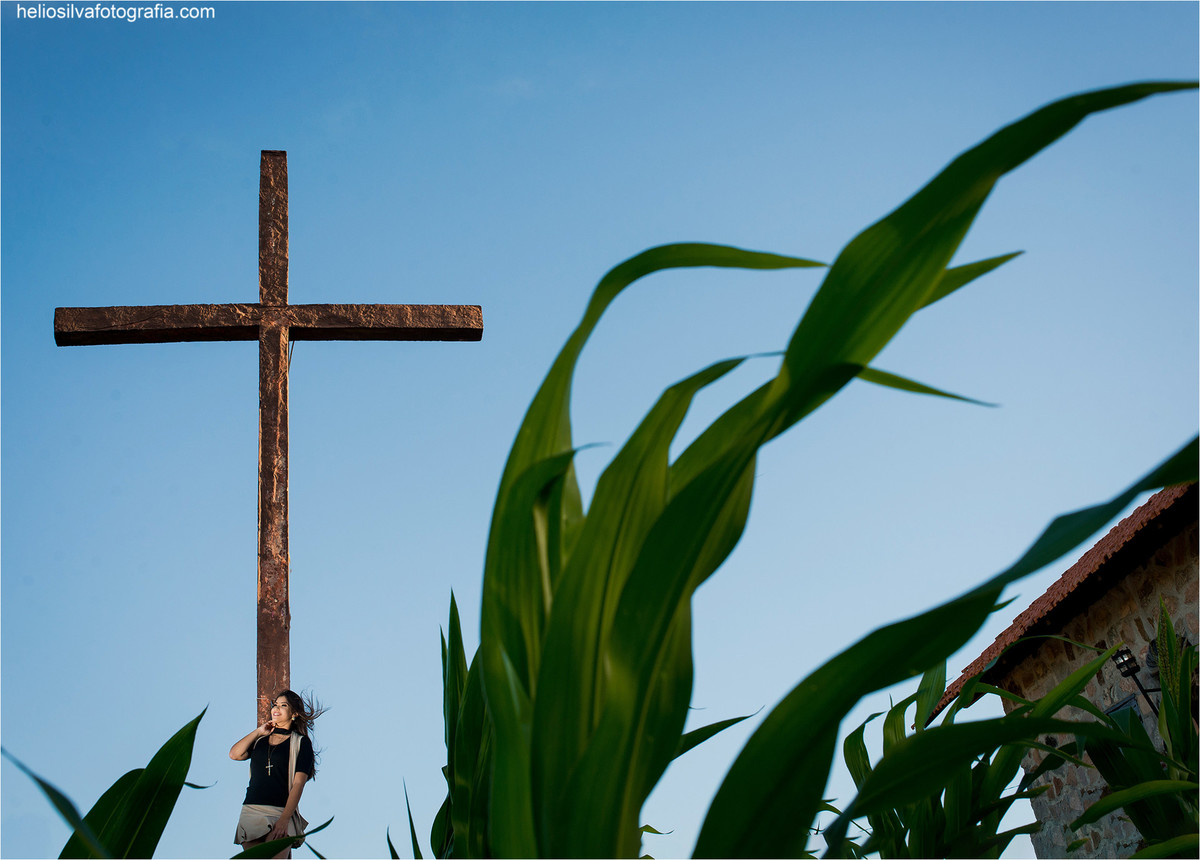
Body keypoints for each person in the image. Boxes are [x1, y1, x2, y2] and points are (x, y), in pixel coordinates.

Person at [229, 690, 324, 859]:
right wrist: (259, 731)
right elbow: (234, 754)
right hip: (252, 811)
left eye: (283, 705)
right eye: (275, 705)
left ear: (294, 713)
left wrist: (284, 819)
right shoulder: (260, 741)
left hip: (280, 811)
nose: (276, 709)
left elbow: (298, 784)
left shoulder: (301, 743)